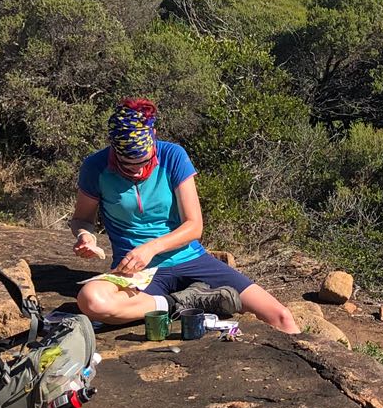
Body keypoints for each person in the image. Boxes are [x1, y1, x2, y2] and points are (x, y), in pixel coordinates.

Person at [70, 98, 300, 334]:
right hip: (137, 272)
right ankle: (179, 302)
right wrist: (85, 235)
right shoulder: (95, 167)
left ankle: (178, 300)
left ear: (154, 137)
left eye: (144, 161)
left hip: (190, 259)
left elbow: (194, 226)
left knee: (281, 317)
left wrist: (150, 248)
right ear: (113, 150)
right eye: (127, 165)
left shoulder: (173, 156)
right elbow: (81, 219)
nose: (137, 171)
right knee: (92, 301)